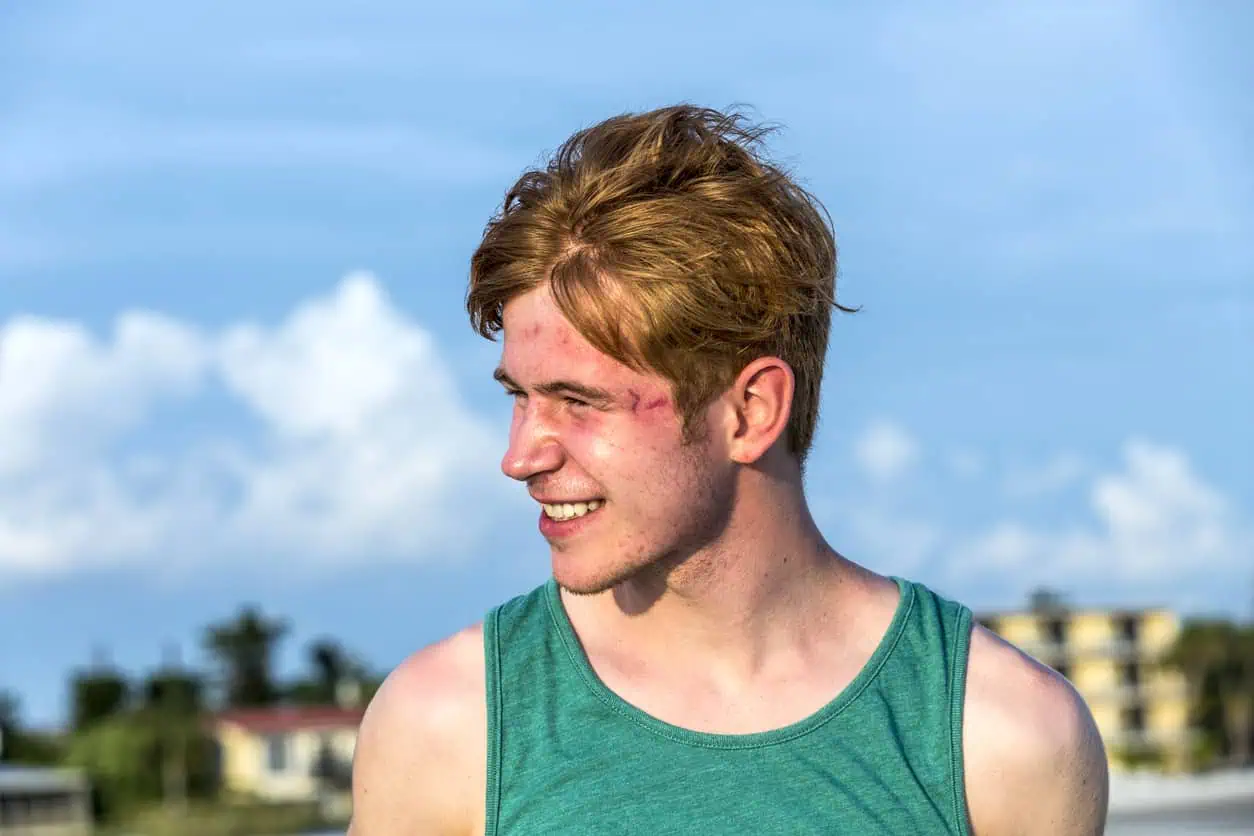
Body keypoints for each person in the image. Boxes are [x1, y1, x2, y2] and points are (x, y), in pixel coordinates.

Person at [348, 105, 1109, 835]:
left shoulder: (1004, 738)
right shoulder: (450, 727)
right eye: (520, 396)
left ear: (750, 412)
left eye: (579, 401)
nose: (520, 456)